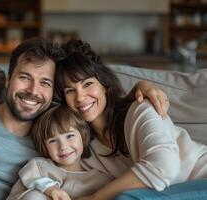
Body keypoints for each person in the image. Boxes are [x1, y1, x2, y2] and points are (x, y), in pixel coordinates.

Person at [0, 37, 169, 200]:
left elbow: (99, 102)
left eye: (45, 82)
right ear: (9, 80)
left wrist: (139, 90)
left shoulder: (53, 143)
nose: (33, 91)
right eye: (25, 77)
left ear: (53, 93)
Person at [55, 39, 207, 200]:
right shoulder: (84, 148)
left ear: (104, 84)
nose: (80, 97)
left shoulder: (141, 109)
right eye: (70, 90)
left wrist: (95, 198)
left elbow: (164, 167)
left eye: (87, 84)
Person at [7, 105, 113, 200]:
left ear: (83, 136)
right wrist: (51, 189)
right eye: (52, 141)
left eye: (70, 136)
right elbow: (30, 175)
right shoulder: (39, 166)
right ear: (45, 146)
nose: (63, 147)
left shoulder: (100, 180)